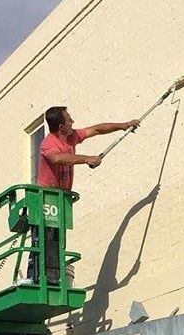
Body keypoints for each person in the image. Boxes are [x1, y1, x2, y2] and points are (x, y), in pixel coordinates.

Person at [27, 107, 140, 283]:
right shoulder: (48, 144)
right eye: (70, 119)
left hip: (60, 198)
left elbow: (95, 129)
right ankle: (35, 279)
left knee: (57, 240)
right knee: (43, 239)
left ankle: (53, 277)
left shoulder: (71, 137)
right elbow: (57, 158)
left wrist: (123, 125)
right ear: (61, 127)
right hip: (44, 198)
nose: (73, 121)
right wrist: (86, 158)